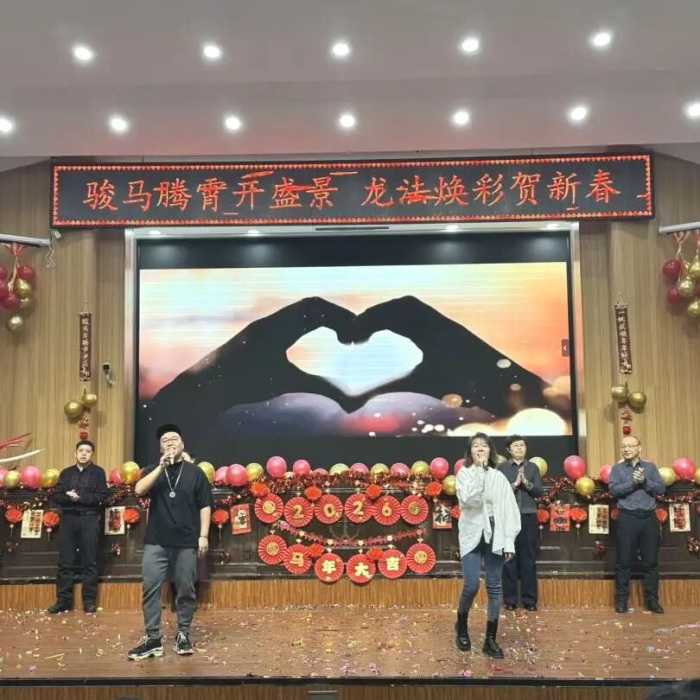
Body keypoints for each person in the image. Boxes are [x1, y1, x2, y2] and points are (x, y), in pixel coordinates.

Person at [127, 425, 212, 660]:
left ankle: (183, 633)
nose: (170, 442)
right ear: (160, 448)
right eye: (165, 440)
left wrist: (203, 536)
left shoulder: (196, 472)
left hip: (186, 540)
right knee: (150, 588)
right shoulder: (153, 469)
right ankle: (153, 638)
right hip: (156, 540)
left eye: (174, 439)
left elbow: (205, 505)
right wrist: (161, 467)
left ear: (182, 445)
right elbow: (139, 490)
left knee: (186, 588)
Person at [455, 433, 521, 658]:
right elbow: (469, 501)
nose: (480, 449)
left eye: (484, 445)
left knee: (494, 587)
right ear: (470, 452)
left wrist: (509, 542)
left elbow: (509, 509)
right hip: (472, 533)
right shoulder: (464, 474)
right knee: (471, 586)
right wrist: (480, 474)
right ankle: (461, 626)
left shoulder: (499, 477)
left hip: (496, 534)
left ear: (490, 451)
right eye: (476, 446)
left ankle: (490, 639)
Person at [49, 440, 108, 614]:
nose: (83, 454)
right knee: (65, 562)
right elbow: (57, 496)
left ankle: (89, 602)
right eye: (81, 450)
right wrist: (69, 497)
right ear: (75, 453)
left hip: (89, 519)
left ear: (92, 454)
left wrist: (80, 498)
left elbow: (101, 496)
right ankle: (63, 601)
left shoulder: (98, 472)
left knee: (89, 561)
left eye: (87, 451)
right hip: (68, 519)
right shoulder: (66, 473)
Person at [609, 435, 665, 614]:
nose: (626, 449)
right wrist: (634, 483)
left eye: (630, 446)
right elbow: (614, 490)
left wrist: (645, 482)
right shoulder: (617, 469)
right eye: (623, 446)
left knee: (651, 562)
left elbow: (661, 489)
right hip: (627, 518)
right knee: (624, 562)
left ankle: (652, 601)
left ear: (639, 448)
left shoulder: (650, 467)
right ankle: (621, 601)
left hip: (649, 518)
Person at [500, 435, 543, 611]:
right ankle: (510, 600)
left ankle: (529, 600)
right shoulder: (502, 468)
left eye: (522, 445)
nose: (520, 448)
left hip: (527, 515)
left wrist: (526, 483)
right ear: (509, 450)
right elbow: (498, 492)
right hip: (507, 517)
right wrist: (514, 484)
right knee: (509, 557)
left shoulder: (532, 467)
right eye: (516, 445)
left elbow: (539, 491)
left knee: (529, 558)